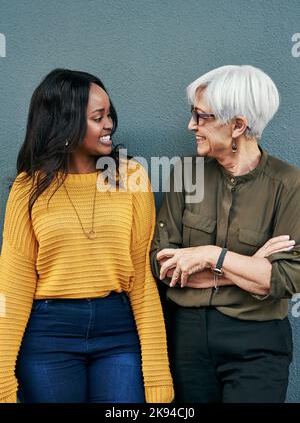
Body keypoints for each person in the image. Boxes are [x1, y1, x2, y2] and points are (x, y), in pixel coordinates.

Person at [0, 68, 174, 403]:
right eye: (98, 117)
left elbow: (142, 281)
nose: (109, 124)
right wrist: (3, 377)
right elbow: (13, 287)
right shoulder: (28, 188)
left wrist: (157, 375)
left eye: (109, 115)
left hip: (118, 330)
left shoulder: (131, 177)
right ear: (65, 122)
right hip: (49, 334)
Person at [151, 65, 300, 403]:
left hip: (258, 342)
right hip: (187, 338)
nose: (192, 125)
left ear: (238, 125)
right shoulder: (185, 174)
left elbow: (286, 277)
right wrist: (248, 265)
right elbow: (163, 266)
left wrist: (210, 256)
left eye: (201, 117)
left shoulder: (289, 184)